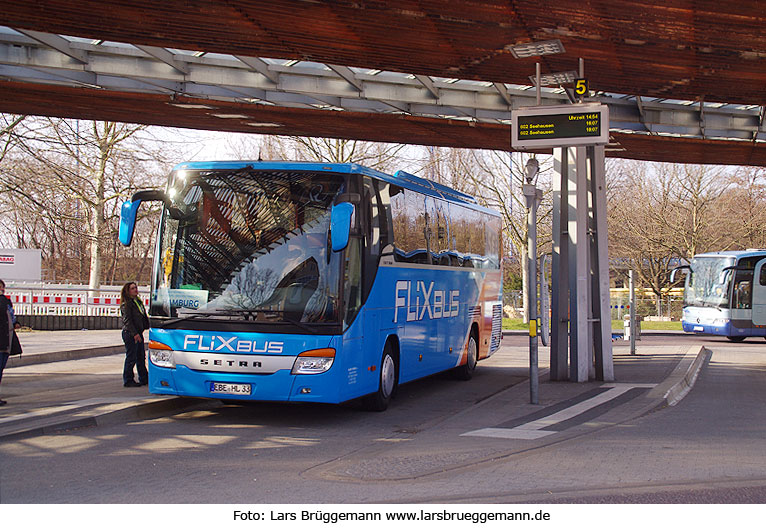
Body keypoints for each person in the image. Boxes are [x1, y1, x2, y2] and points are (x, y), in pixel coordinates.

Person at [120, 282, 149, 387]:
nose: (135, 290)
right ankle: (128, 379)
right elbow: (127, 321)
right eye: (132, 288)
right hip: (131, 333)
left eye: (136, 288)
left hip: (138, 332)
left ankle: (144, 378)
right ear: (128, 291)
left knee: (140, 356)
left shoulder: (137, 302)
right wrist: (135, 333)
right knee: (131, 357)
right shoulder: (127, 304)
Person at [0, 279, 22, 406]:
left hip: (5, 342)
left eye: (3, 287)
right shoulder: (3, 302)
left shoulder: (5, 302)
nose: (2, 290)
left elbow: (11, 318)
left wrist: (15, 323)